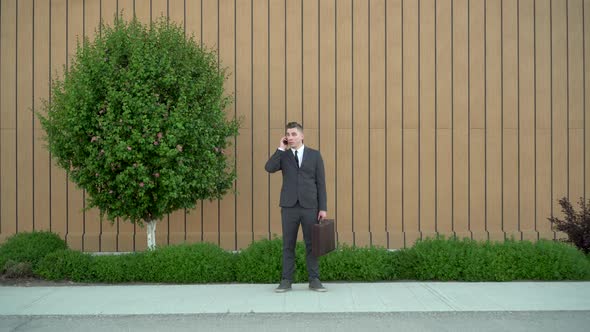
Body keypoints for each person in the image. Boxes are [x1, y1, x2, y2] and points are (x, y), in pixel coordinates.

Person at [265, 122, 328, 292]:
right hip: (289, 207)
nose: (290, 137)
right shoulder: (283, 156)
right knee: (288, 244)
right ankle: (286, 280)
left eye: (293, 134)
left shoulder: (314, 155)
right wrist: (280, 149)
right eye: (288, 134)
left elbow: (321, 183)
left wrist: (323, 208)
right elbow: (269, 168)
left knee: (312, 244)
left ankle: (314, 279)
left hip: (310, 207)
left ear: (302, 136)